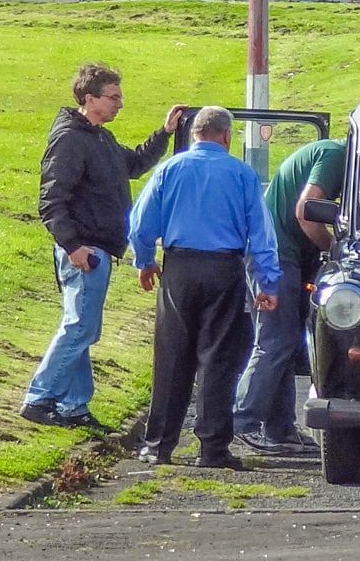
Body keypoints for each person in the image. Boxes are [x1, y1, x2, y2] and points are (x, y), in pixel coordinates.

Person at [20, 62, 186, 430]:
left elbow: (135, 163)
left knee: (82, 326)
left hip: (96, 250)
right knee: (80, 327)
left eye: (119, 96)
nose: (120, 104)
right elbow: (51, 201)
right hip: (85, 252)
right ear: (89, 98)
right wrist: (74, 247)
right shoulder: (70, 139)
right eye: (113, 97)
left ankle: (73, 406)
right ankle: (39, 396)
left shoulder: (98, 137)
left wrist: (165, 132)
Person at [128, 106, 281, 470]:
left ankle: (158, 445)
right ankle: (212, 448)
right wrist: (267, 282)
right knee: (219, 359)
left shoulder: (168, 169)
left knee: (171, 357)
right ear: (226, 136)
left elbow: (140, 224)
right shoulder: (243, 175)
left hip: (179, 266)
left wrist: (145, 260)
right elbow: (262, 234)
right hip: (224, 268)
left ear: (195, 133)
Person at [233, 138, 346, 454]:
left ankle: (280, 427)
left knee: (285, 342)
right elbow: (305, 211)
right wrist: (335, 250)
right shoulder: (335, 156)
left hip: (275, 253)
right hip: (275, 257)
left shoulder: (326, 151)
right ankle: (243, 420)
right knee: (273, 341)